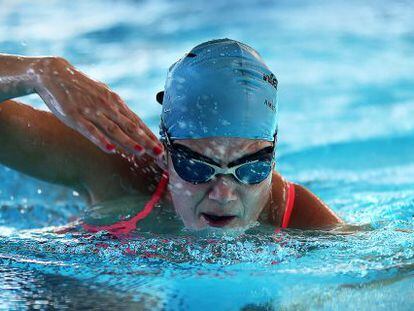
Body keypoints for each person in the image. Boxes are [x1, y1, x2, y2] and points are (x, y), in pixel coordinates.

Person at [0, 38, 342, 235]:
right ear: (165, 151)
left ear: (273, 153)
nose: (223, 194)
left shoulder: (292, 215)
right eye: (197, 167)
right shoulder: (117, 167)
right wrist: (38, 72)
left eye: (250, 168)